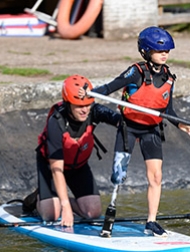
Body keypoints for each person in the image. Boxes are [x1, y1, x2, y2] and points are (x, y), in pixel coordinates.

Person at [91, 26, 190, 237]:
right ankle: (109, 218)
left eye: (167, 51)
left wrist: (180, 124)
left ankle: (151, 221)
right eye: (160, 51)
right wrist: (89, 93)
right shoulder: (135, 72)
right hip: (128, 128)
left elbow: (168, 110)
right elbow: (110, 87)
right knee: (119, 175)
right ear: (146, 51)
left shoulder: (168, 77)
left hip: (151, 130)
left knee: (156, 177)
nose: (164, 54)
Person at [22, 74, 120, 227]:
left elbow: (119, 120)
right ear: (68, 104)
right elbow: (57, 170)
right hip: (52, 168)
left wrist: (133, 125)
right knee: (51, 215)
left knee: (92, 213)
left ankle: (58, 199)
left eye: (88, 105)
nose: (85, 110)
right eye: (79, 106)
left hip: (78, 167)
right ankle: (37, 199)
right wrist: (65, 207)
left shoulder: (94, 111)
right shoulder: (56, 122)